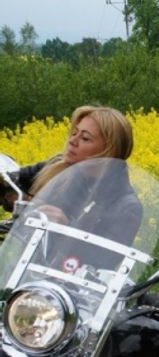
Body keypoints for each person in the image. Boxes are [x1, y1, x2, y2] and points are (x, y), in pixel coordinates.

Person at [2, 105, 141, 259]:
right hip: (21, 271)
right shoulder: (55, 168)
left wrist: (65, 228)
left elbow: (105, 260)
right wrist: (22, 200)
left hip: (61, 280)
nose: (73, 141)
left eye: (85, 138)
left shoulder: (126, 206)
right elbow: (11, 181)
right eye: (74, 133)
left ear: (109, 149)